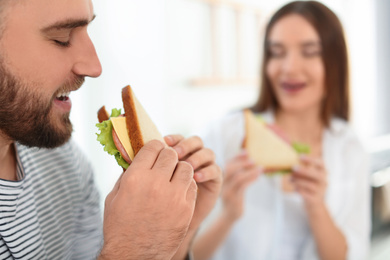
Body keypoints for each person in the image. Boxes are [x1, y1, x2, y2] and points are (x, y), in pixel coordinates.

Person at [0, 0, 222, 259]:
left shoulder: (65, 159)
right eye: (61, 39)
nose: (95, 67)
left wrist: (173, 236)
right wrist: (132, 252)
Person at [192, 1, 371, 260]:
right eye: (276, 52)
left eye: (309, 52)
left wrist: (316, 207)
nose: (288, 68)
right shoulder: (225, 135)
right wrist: (228, 215)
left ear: (335, 62)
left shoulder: (350, 147)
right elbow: (182, 253)